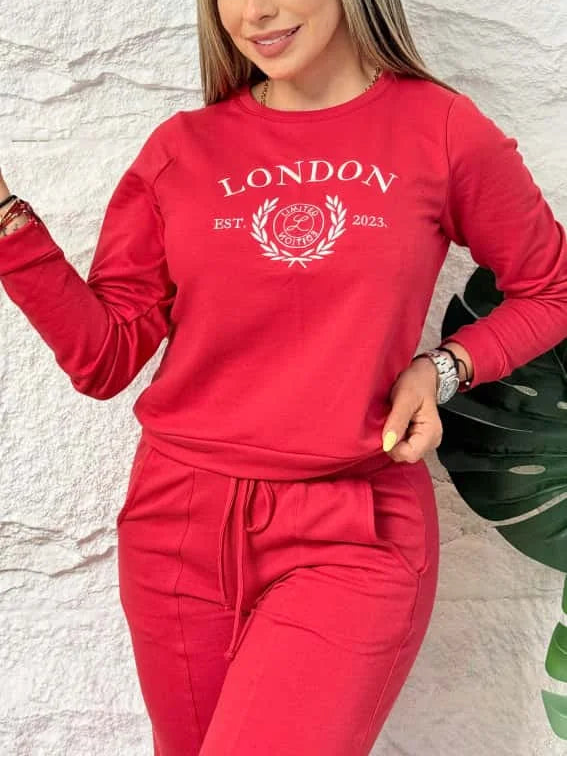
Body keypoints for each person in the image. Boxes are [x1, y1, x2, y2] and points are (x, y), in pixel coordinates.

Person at [1, 1, 567, 754]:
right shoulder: (182, 148)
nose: (254, 12)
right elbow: (104, 359)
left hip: (352, 526)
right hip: (177, 524)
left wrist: (442, 369)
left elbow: (550, 286)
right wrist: (5, 220)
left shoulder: (438, 129)